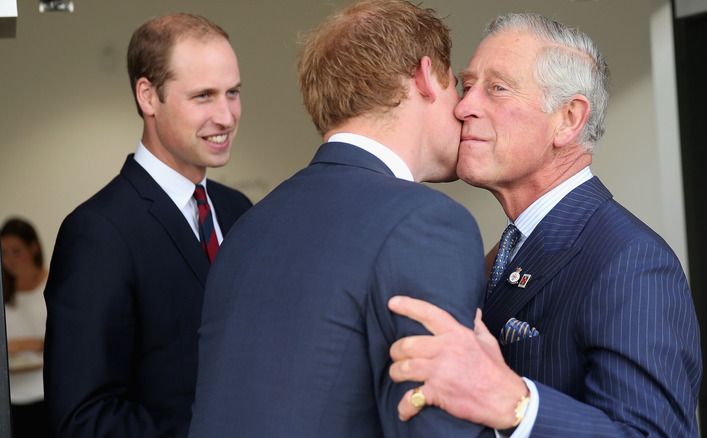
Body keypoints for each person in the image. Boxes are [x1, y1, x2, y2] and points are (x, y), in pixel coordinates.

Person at [387, 12, 703, 438]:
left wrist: (516, 406)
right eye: (466, 85)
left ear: (569, 119)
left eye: (496, 88)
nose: (463, 107)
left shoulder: (632, 262)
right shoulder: (502, 255)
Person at [188, 1, 492, 437]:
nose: (463, 109)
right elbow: (440, 429)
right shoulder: (426, 222)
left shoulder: (249, 226)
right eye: (457, 86)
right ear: (426, 76)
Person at [43, 13, 252, 438]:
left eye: (232, 92)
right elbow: (82, 418)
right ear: (147, 96)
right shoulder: (98, 233)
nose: (227, 116)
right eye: (203, 96)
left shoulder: (238, 210)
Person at [1, 217, 50, 438]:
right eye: (3, 253)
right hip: (12, 396)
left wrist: (32, 344)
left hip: (47, 391)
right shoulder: (5, 292)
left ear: (34, 247)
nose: (9, 260)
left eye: (16, 251)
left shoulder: (55, 285)